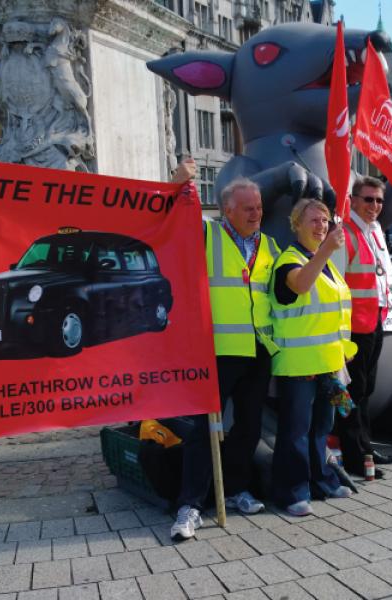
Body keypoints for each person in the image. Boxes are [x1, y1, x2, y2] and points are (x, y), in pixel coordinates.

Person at [171, 175, 280, 540]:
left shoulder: (270, 245)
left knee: (248, 427)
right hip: (217, 350)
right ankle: (190, 505)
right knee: (204, 430)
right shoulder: (208, 235)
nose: (256, 214)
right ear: (227, 210)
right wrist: (177, 182)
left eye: (260, 207)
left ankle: (234, 489)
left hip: (257, 349)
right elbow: (173, 221)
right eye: (248, 208)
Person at [270, 199, 357, 516]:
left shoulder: (326, 263)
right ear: (296, 224)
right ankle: (291, 492)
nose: (321, 226)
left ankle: (322, 481)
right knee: (295, 431)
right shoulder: (289, 260)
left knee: (322, 427)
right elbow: (301, 285)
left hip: (328, 363)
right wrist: (325, 252)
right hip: (299, 364)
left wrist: (341, 358)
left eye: (324, 220)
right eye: (314, 221)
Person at [337, 176, 392, 478]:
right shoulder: (344, 234)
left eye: (379, 200)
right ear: (354, 200)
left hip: (374, 321)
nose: (375, 206)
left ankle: (365, 448)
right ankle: (354, 456)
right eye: (369, 199)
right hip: (353, 329)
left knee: (365, 391)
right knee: (352, 391)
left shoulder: (374, 232)